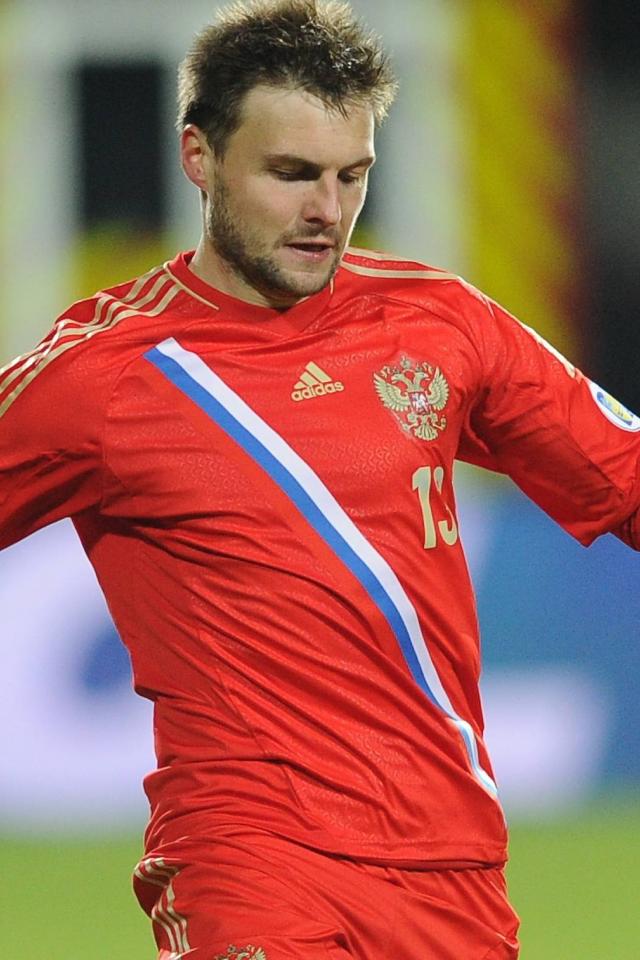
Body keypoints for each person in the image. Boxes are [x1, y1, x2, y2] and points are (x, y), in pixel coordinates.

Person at [1, 1, 638, 957]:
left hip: (452, 866)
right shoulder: (108, 374)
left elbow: (624, 477)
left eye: (353, 175)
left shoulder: (441, 324)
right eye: (292, 174)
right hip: (252, 864)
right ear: (199, 157)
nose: (327, 212)